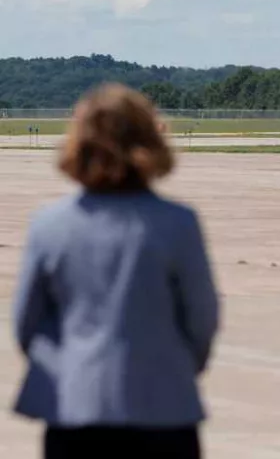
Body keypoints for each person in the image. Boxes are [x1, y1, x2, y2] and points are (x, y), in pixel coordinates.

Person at [11, 82, 220, 459]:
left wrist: (73, 368)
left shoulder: (49, 226)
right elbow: (202, 320)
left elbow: (26, 325)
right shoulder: (179, 224)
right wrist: (172, 367)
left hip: (74, 409)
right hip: (164, 409)